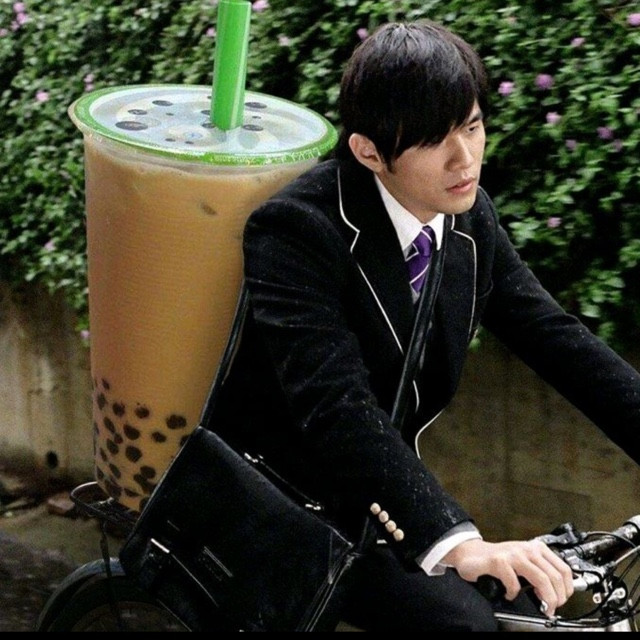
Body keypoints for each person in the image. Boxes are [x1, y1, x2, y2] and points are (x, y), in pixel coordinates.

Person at [210, 20, 640, 631]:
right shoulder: (296, 231)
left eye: (472, 126)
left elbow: (554, 336)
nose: (465, 158)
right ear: (368, 152)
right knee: (467, 623)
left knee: (535, 607)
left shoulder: (466, 218)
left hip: (382, 489)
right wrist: (456, 540)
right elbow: (336, 405)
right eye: (435, 140)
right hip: (288, 506)